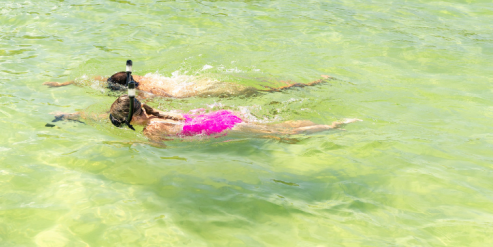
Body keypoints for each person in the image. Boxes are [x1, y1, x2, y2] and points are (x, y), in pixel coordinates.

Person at [50, 95, 359, 142]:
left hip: (219, 126)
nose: (143, 112)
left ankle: (332, 127)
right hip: (216, 114)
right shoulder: (155, 115)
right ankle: (325, 125)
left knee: (279, 133)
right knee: (274, 124)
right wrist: (70, 115)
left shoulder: (152, 129)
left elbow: (162, 152)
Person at [45, 64, 330, 99]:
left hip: (199, 91)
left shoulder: (146, 90)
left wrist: (65, 85)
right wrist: (63, 84)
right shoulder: (142, 79)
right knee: (261, 89)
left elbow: (94, 80)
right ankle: (310, 83)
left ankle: (312, 85)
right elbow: (96, 78)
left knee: (260, 93)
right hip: (198, 81)